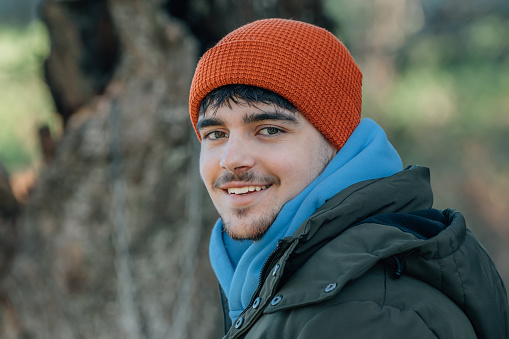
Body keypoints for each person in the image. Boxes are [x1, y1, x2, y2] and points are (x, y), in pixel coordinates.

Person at [188, 18, 509, 338]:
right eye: (216, 133)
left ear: (337, 143)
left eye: (269, 130)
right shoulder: (268, 276)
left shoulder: (363, 312)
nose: (232, 159)